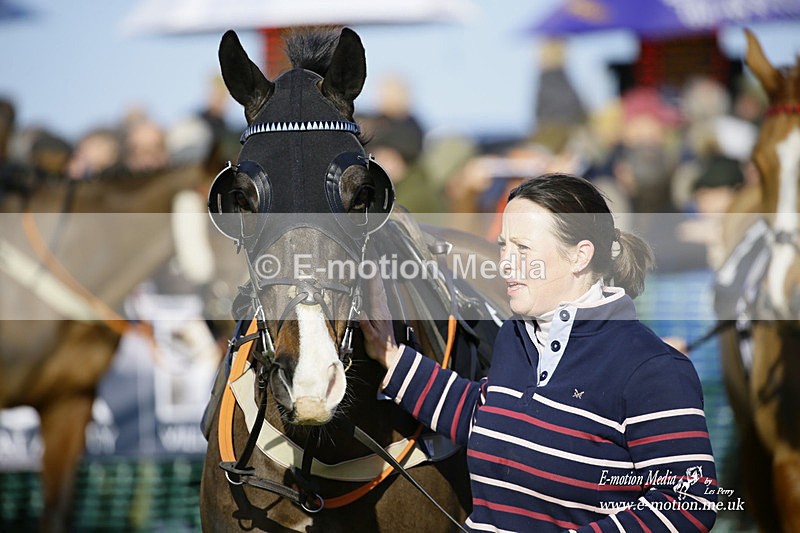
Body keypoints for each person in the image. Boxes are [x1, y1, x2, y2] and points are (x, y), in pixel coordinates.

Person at [360, 173, 717, 532]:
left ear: (580, 256)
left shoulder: (653, 369)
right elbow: (487, 417)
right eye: (503, 246)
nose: (505, 263)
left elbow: (689, 504)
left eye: (522, 248)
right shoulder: (517, 334)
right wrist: (392, 357)